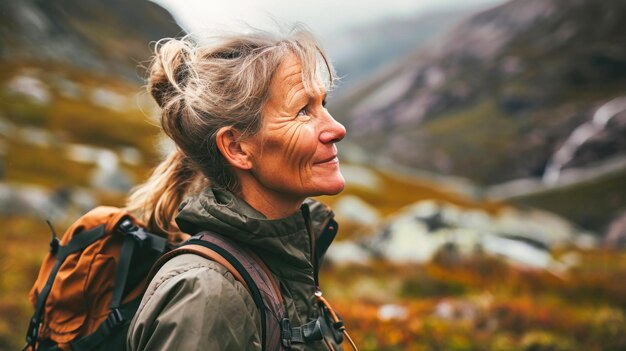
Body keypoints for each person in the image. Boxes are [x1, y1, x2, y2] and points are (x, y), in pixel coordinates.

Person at [125, 26, 351, 350]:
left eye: (323, 103)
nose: (336, 128)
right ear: (237, 148)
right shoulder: (207, 296)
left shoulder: (280, 257)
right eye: (303, 111)